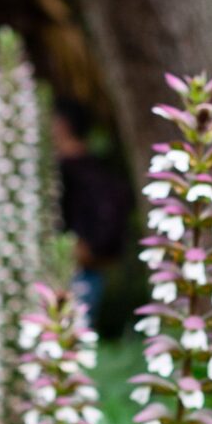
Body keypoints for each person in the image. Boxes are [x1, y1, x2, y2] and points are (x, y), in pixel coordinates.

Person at [51, 97, 132, 322]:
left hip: (78, 271)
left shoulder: (74, 173)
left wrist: (83, 250)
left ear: (62, 125)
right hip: (80, 268)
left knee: (68, 335)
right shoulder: (98, 168)